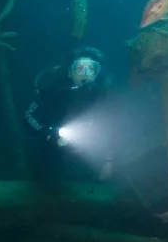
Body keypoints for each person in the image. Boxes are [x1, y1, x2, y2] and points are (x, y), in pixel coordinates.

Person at [23, 46, 110, 182]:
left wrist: (109, 160)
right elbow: (29, 116)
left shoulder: (103, 98)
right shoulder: (53, 92)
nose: (85, 74)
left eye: (91, 69)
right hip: (51, 150)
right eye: (79, 69)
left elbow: (113, 129)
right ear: (70, 73)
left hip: (86, 156)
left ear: (97, 74)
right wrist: (46, 132)